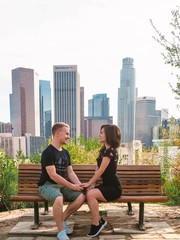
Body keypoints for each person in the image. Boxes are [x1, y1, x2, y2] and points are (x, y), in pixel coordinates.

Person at [38, 122, 85, 240]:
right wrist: (72, 186)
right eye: (67, 133)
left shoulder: (66, 153)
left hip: (61, 186)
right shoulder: (47, 152)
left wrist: (78, 185)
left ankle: (62, 220)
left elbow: (70, 172)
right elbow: (53, 176)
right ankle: (60, 231)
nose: (69, 136)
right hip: (47, 185)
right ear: (58, 133)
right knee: (59, 198)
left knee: (81, 196)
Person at [81, 124, 122, 238]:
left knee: (90, 194)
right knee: (87, 192)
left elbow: (101, 171)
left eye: (102, 132)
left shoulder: (111, 152)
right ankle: (99, 221)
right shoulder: (104, 150)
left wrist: (89, 183)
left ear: (109, 135)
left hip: (114, 188)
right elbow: (97, 169)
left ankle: (96, 224)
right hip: (106, 185)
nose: (99, 135)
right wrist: (92, 183)